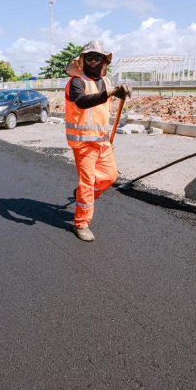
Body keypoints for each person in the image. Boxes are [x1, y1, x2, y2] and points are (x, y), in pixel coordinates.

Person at [65, 40, 130, 242]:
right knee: (87, 182)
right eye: (90, 57)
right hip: (83, 143)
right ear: (83, 60)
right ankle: (81, 223)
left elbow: (104, 109)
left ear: (104, 61)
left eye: (98, 57)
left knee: (110, 176)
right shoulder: (77, 82)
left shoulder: (106, 82)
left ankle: (83, 196)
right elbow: (82, 102)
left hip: (102, 141)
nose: (94, 61)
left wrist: (122, 93)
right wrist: (109, 93)